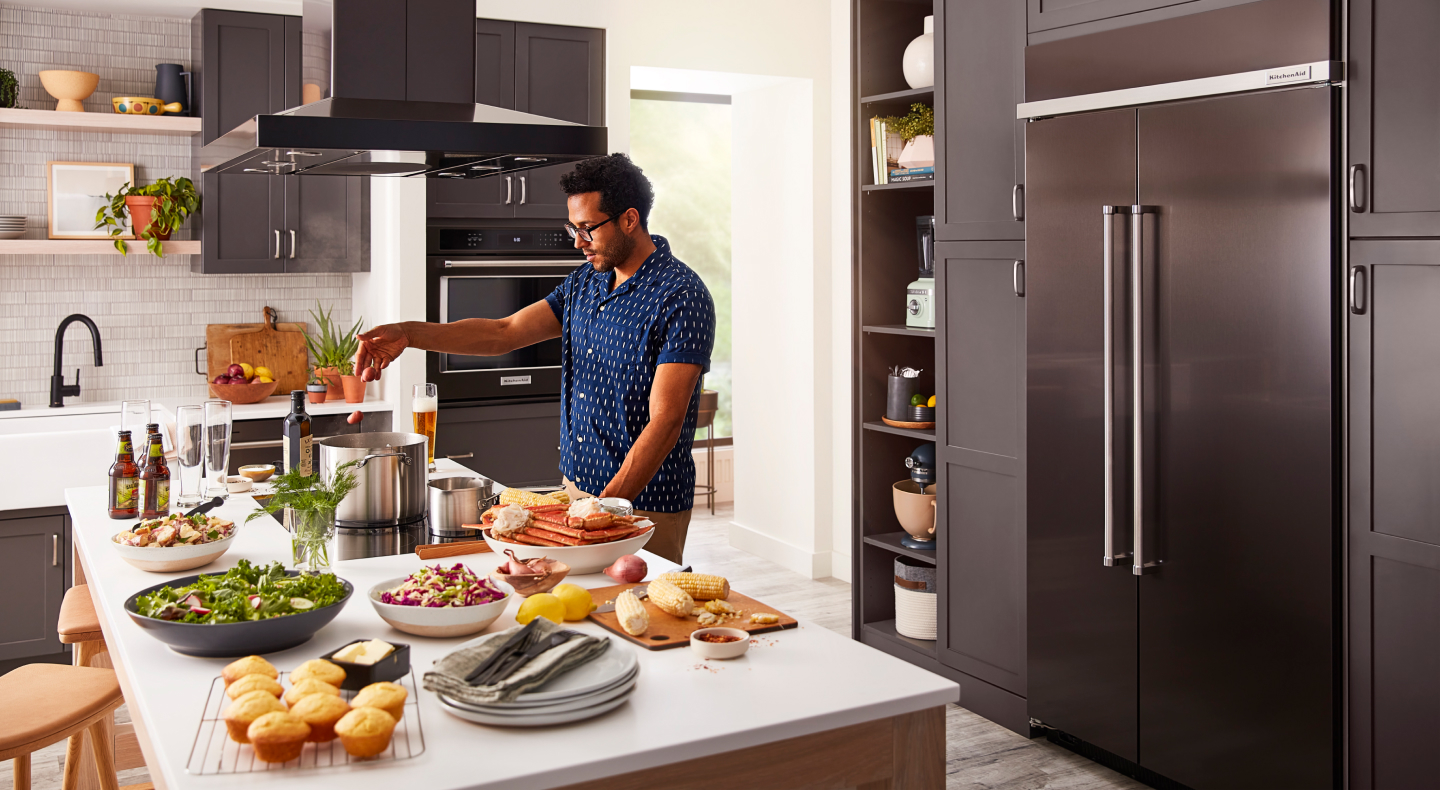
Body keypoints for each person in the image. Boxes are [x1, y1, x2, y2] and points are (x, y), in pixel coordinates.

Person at [351, 153, 715, 563]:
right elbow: (504, 332)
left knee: (629, 618)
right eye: (572, 228)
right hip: (577, 491)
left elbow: (665, 422)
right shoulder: (587, 281)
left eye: (587, 229)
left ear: (629, 220)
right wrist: (409, 333)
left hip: (643, 505)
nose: (578, 242)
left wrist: (607, 511)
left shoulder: (681, 296)